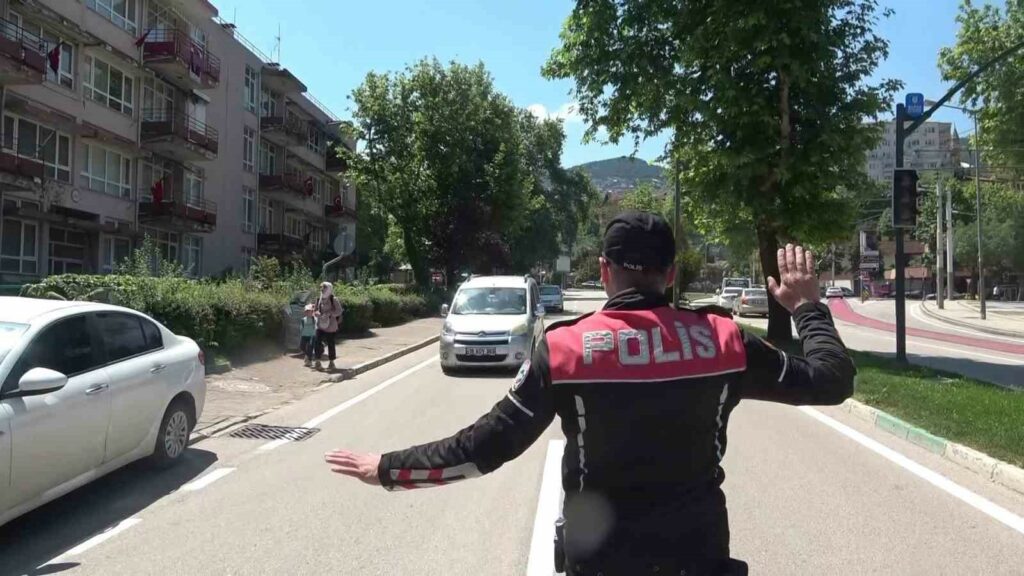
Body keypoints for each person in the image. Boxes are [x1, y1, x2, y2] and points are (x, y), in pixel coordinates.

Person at [324, 212, 856, 575]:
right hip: (699, 555)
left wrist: (388, 468)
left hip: (602, 560)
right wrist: (807, 307)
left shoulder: (565, 349)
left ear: (604, 271)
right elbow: (832, 379)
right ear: (671, 273)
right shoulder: (723, 339)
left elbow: (485, 447)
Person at [313, 281, 343, 371]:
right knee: (317, 342)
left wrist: (330, 313)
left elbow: (339, 311)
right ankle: (317, 361)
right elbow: (315, 310)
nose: (322, 289)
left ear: (329, 289)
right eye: (321, 287)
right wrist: (317, 313)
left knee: (330, 343)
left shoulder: (333, 299)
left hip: (331, 325)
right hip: (320, 324)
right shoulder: (319, 298)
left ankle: (331, 362)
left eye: (324, 288)